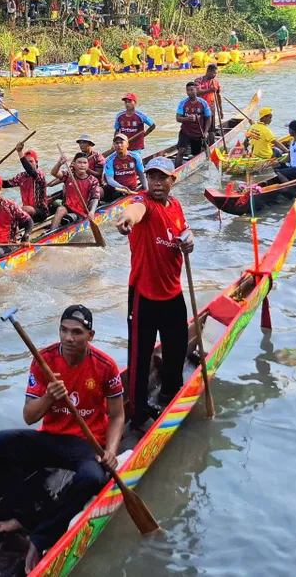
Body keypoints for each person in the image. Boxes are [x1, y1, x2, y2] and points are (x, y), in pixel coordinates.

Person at [0, 305, 124, 573]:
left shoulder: (105, 365)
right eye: (63, 330)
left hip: (87, 444)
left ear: (90, 335)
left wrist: (111, 451)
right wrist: (49, 398)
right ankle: (25, 516)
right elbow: (29, 417)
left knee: (93, 478)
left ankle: (41, 537)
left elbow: (118, 415)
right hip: (51, 438)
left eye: (77, 332)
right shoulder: (44, 360)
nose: (68, 338)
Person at [115, 156, 192, 429]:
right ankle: (138, 414)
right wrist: (125, 220)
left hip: (173, 291)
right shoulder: (143, 203)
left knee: (178, 348)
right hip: (144, 295)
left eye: (162, 178)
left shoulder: (176, 206)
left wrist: (189, 240)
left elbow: (183, 230)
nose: (157, 183)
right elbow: (133, 212)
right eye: (152, 177)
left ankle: (170, 392)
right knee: (139, 356)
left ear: (173, 180)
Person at [48, 152, 101, 230]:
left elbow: (95, 198)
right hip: (68, 206)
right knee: (60, 209)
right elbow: (54, 173)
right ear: (74, 164)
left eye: (85, 163)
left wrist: (92, 212)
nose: (82, 165)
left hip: (83, 210)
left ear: (88, 165)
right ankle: (51, 233)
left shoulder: (93, 180)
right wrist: (59, 163)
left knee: (67, 219)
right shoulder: (68, 175)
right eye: (79, 162)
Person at [5, 144, 50, 222]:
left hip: (41, 212)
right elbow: (6, 184)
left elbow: (30, 171)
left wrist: (19, 152)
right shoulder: (21, 176)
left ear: (36, 162)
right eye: (27, 161)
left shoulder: (39, 175)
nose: (29, 163)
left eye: (31, 161)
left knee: (22, 209)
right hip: (27, 212)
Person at [102, 133, 147, 201]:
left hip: (133, 188)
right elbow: (110, 180)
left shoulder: (135, 156)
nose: (119, 145)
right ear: (114, 146)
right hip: (119, 189)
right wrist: (122, 187)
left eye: (121, 142)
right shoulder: (109, 160)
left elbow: (141, 174)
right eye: (116, 143)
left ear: (127, 145)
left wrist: (146, 189)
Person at [174, 82, 209, 164]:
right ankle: (176, 173)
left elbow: (208, 118)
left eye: (191, 90)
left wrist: (206, 131)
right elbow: (178, 118)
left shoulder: (203, 103)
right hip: (185, 132)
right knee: (181, 151)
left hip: (198, 133)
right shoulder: (182, 103)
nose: (189, 92)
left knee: (196, 153)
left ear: (196, 90)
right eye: (187, 90)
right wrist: (187, 119)